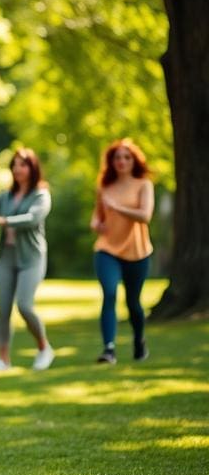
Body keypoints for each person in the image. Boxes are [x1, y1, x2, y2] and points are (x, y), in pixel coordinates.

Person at [0, 148, 55, 371]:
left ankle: (44, 348)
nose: (17, 168)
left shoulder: (41, 195)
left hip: (31, 258)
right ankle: (3, 360)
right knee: (4, 309)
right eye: (15, 164)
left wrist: (2, 220)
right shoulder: (6, 196)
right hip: (7, 258)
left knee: (25, 306)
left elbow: (32, 218)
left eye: (23, 164)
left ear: (33, 168)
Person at [90, 138, 155, 364]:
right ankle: (109, 349)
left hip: (137, 251)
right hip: (107, 249)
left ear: (134, 160)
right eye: (117, 157)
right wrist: (96, 224)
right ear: (111, 161)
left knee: (133, 303)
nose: (121, 161)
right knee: (109, 293)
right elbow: (96, 217)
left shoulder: (144, 185)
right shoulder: (104, 187)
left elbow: (145, 216)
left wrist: (118, 208)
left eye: (126, 157)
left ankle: (139, 340)